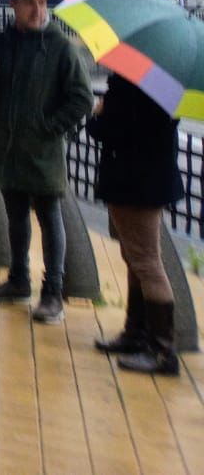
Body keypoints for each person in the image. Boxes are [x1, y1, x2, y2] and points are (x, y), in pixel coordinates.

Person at [0, 0, 94, 324]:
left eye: (42, 2)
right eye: (29, 1)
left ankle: (52, 292)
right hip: (7, 147)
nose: (38, 9)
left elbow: (82, 98)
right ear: (13, 3)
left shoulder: (59, 46)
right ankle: (18, 280)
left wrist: (49, 127)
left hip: (43, 152)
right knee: (16, 216)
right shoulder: (0, 42)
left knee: (50, 218)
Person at [86, 75, 184, 375]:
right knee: (135, 258)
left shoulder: (135, 86)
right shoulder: (167, 85)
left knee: (146, 261)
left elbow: (112, 131)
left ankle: (161, 349)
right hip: (145, 181)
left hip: (135, 184)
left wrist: (98, 115)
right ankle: (136, 333)